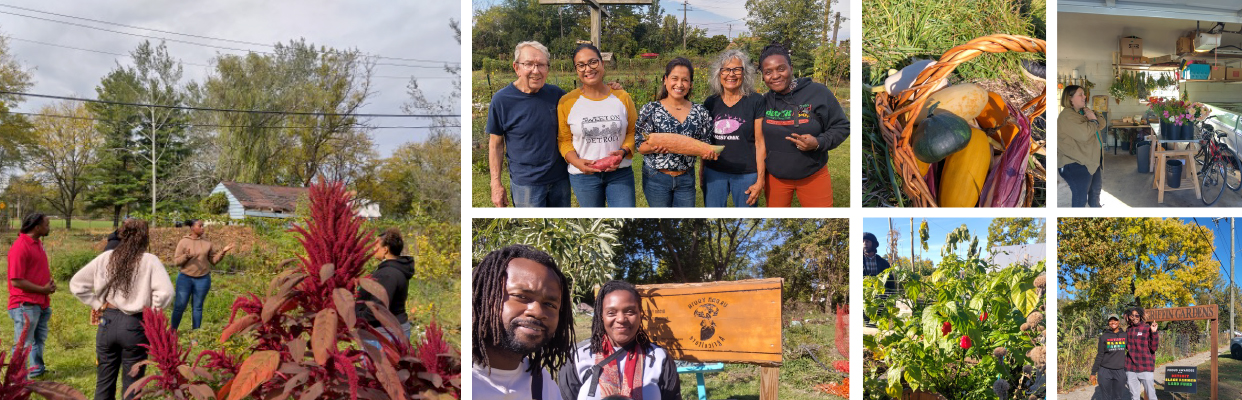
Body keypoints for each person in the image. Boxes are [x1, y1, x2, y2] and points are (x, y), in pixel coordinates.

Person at [69, 219, 175, 400]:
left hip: (107, 321)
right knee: (133, 384)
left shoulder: (106, 257)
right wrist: (152, 311)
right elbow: (166, 293)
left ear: (122, 235)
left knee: (104, 381)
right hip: (135, 324)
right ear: (144, 237)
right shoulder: (149, 260)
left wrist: (97, 304)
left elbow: (76, 284)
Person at [473, 245, 573, 400]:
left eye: (549, 304)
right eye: (521, 296)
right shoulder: (453, 380)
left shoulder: (544, 385)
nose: (537, 312)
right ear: (484, 298)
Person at [757, 43, 849, 207]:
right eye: (768, 72)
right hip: (775, 179)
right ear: (763, 76)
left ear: (791, 68)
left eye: (781, 69)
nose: (775, 76)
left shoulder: (818, 93)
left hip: (813, 176)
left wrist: (818, 142)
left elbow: (841, 126)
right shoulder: (763, 101)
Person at [558, 280, 682, 399]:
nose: (621, 319)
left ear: (641, 315)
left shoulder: (659, 358)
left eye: (630, 311)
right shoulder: (578, 357)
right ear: (601, 316)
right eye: (611, 313)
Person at [488, 41, 572, 207]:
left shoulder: (557, 95)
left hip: (560, 179)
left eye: (541, 65)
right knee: (531, 229)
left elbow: (587, 106)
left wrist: (611, 91)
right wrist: (495, 184)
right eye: (529, 64)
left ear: (547, 68)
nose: (536, 70)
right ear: (516, 68)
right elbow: (496, 144)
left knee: (562, 229)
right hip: (526, 184)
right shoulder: (502, 100)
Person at [558, 43, 638, 207]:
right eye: (581, 65)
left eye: (593, 62)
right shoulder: (567, 102)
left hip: (620, 173)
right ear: (576, 70)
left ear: (602, 63)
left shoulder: (622, 97)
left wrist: (622, 152)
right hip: (583, 176)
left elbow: (633, 131)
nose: (588, 69)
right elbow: (564, 140)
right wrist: (577, 163)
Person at [636, 57, 716, 207]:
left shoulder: (701, 112)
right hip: (656, 177)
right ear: (665, 80)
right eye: (674, 78)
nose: (679, 84)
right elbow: (640, 146)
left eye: (685, 80)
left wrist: (708, 153)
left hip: (686, 178)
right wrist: (654, 147)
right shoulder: (650, 109)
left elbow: (706, 144)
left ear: (691, 84)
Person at [702, 49, 766, 207]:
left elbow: (760, 143)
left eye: (737, 69)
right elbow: (706, 142)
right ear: (719, 73)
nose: (731, 74)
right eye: (726, 70)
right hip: (715, 172)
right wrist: (702, 170)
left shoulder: (756, 101)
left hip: (747, 174)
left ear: (745, 74)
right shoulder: (710, 102)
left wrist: (760, 179)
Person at [6, 213, 55, 378]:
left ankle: (36, 369)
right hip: (24, 304)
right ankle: (17, 379)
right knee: (23, 343)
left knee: (38, 340)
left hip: (40, 302)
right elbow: (16, 281)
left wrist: (48, 286)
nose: (49, 227)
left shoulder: (37, 243)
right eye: (47, 224)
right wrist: (43, 289)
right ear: (37, 227)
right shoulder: (20, 246)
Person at [170, 219, 234, 330]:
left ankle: (195, 336)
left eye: (203, 226)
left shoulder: (207, 243)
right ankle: (172, 332)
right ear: (192, 228)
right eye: (200, 226)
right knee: (179, 306)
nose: (202, 228)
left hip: (202, 279)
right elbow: (176, 262)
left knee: (198, 307)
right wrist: (186, 256)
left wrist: (223, 252)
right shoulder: (183, 242)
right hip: (185, 278)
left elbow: (213, 261)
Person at [357, 228, 415, 344]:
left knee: (374, 363)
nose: (373, 249)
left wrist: (355, 317)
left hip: (384, 336)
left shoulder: (387, 274)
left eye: (375, 246)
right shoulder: (397, 268)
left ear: (385, 249)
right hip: (394, 330)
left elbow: (377, 309)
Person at [1058, 84, 1103, 207]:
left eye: (1084, 94)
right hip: (1076, 163)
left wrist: (1093, 116)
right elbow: (1085, 134)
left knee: (1095, 194)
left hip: (1091, 161)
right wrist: (1093, 120)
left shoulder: (1083, 111)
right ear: (1070, 98)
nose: (1084, 96)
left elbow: (1102, 124)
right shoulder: (1067, 116)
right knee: (1080, 199)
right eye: (1081, 94)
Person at [1123, 307, 1159, 400]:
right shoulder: (1128, 330)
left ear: (1140, 316)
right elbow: (1126, 347)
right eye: (1132, 315)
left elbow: (1154, 348)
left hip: (1145, 367)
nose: (1134, 317)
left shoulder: (1147, 328)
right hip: (1131, 369)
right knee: (1134, 396)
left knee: (1151, 395)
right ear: (1129, 317)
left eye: (1137, 315)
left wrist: (1154, 332)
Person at [1090, 314, 1127, 400]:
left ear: (1119, 322)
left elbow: (1132, 350)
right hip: (1105, 371)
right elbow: (1100, 355)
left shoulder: (1125, 335)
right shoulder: (1104, 337)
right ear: (1108, 323)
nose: (1113, 322)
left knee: (1118, 396)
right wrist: (1093, 372)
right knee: (1106, 397)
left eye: (1115, 320)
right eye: (1110, 320)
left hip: (1120, 371)